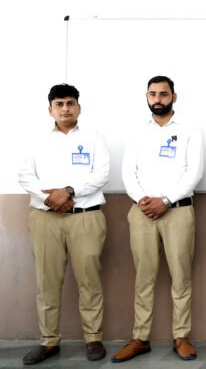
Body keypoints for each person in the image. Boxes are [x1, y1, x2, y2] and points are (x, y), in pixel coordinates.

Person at [112, 76, 204, 363]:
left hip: (178, 211)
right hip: (142, 212)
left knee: (181, 276)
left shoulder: (189, 131)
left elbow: (194, 173)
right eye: (153, 94)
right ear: (147, 97)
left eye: (164, 94)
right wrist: (143, 199)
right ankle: (140, 338)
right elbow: (128, 173)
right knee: (144, 277)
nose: (158, 99)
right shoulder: (138, 132)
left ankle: (181, 336)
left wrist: (165, 200)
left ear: (174, 97)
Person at [18, 84, 109, 365]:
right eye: (59, 104)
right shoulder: (36, 140)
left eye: (70, 103)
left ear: (79, 107)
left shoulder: (94, 137)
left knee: (89, 280)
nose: (65, 108)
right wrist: (51, 199)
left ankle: (93, 338)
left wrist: (69, 191)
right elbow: (24, 175)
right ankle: (49, 341)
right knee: (47, 281)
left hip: (86, 217)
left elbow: (101, 173)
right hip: (45, 218)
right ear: (51, 110)